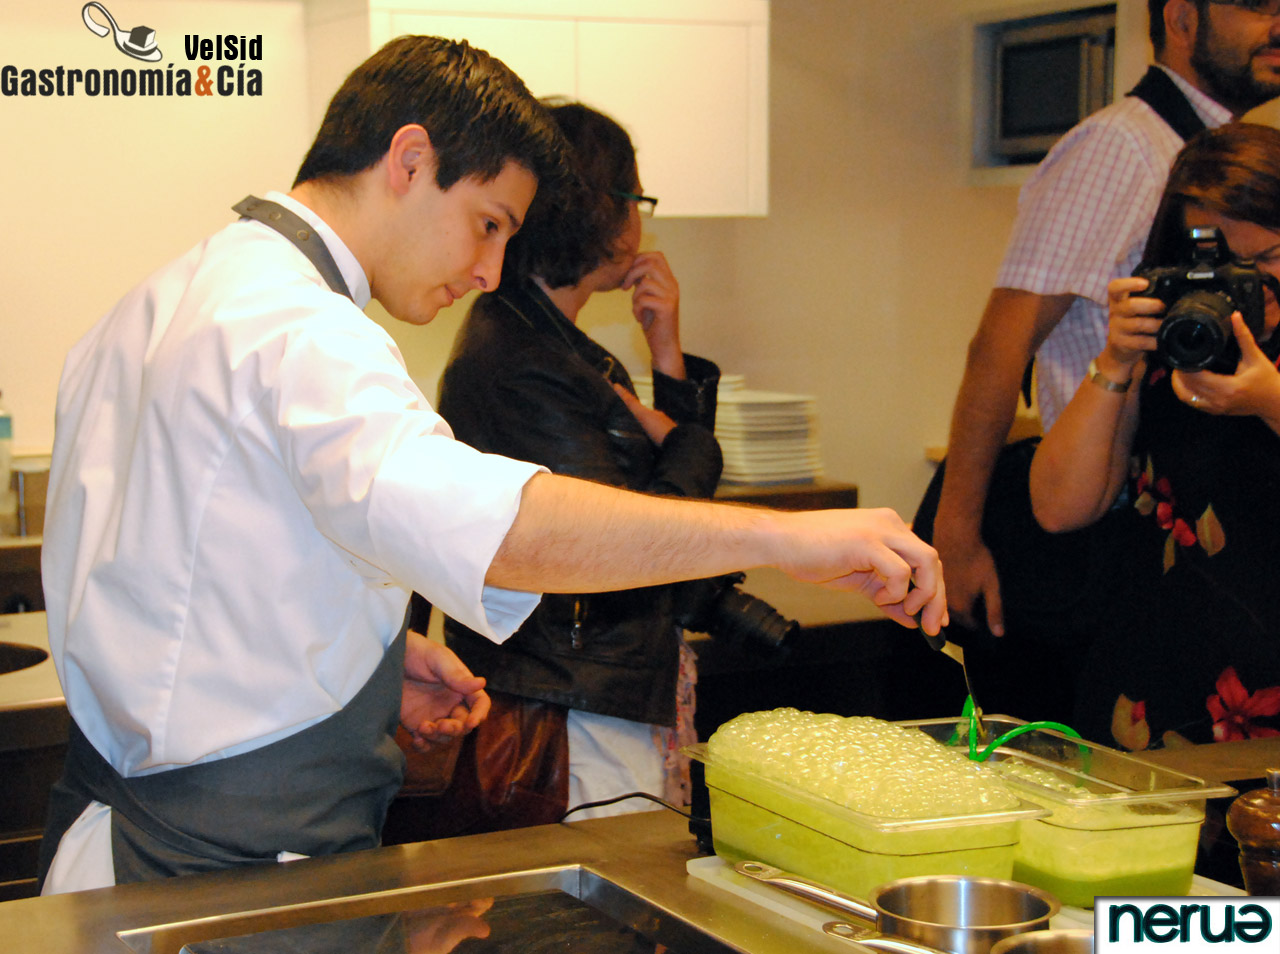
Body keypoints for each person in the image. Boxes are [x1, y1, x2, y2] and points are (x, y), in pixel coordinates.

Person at [37, 35, 947, 895]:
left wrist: (364, 660)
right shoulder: (305, 331)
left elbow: (178, 579)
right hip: (225, 868)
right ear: (408, 160)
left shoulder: (162, 299)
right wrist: (790, 540)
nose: (488, 269)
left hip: (115, 835)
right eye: (486, 223)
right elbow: (509, 531)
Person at [932, 0, 1280, 640]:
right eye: (1255, 5)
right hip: (1105, 524)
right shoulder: (1123, 146)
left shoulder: (1209, 153)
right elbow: (1002, 344)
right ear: (1182, 19)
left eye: (1266, 256)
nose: (1278, 25)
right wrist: (955, 534)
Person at [421, 101, 723, 831]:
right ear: (598, 208)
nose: (639, 222)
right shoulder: (527, 361)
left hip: (585, 692)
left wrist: (667, 354)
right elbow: (636, 545)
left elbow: (663, 513)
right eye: (635, 199)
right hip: (571, 711)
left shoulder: (549, 341)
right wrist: (695, 446)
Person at [1029, 122, 1280, 749]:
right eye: (1222, 266)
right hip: (1158, 677)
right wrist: (1117, 359)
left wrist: (1269, 403)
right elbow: (1059, 507)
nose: (1250, 285)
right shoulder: (1176, 339)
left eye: (1269, 258)